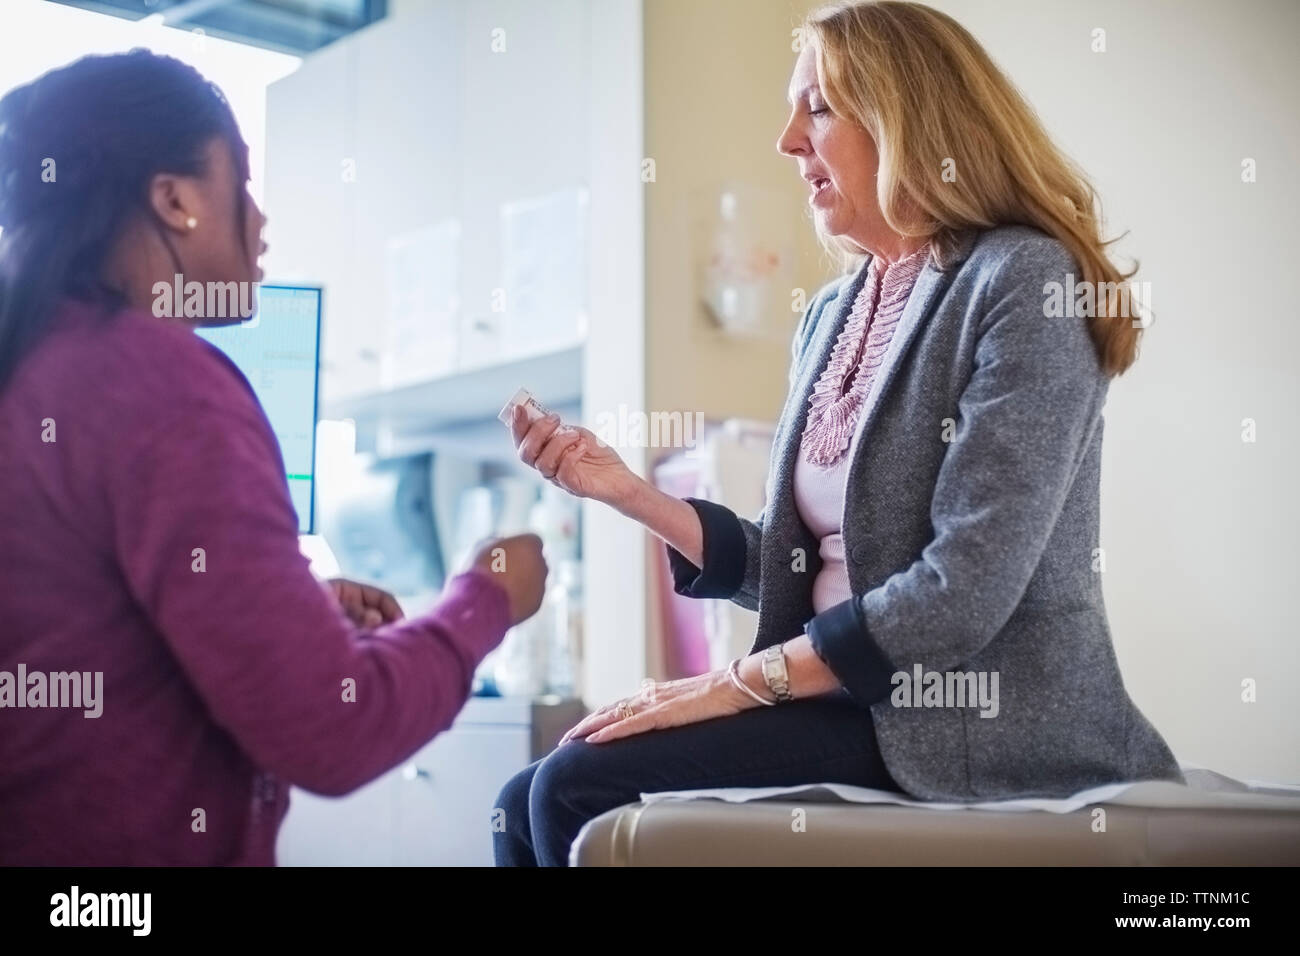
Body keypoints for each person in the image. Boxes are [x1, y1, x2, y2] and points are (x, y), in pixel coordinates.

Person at [496, 0, 1183, 867]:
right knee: (524, 794)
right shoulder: (831, 311)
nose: (787, 139)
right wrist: (627, 491)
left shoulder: (1021, 281)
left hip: (965, 720)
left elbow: (961, 591)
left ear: (910, 120)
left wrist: (735, 687)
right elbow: (796, 571)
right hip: (845, 701)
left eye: (817, 106)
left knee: (574, 786)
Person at [0, 49, 547, 865]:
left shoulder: (37, 364)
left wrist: (286, 616)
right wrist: (486, 597)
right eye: (242, 186)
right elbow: (334, 725)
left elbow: (84, 642)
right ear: (176, 199)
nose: (260, 222)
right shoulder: (164, 383)